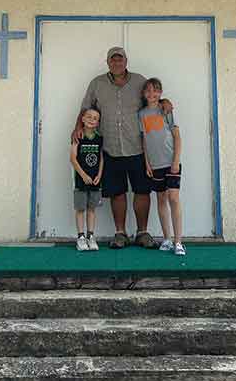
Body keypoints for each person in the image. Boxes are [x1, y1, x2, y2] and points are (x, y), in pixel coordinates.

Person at [72, 47, 172, 250]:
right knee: (117, 192)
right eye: (113, 60)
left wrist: (164, 101)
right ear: (108, 62)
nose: (116, 63)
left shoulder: (139, 81)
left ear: (126, 61)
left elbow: (152, 99)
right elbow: (85, 108)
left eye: (120, 59)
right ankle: (120, 233)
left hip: (138, 147)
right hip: (110, 147)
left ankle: (142, 233)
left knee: (142, 191)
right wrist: (77, 128)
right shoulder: (97, 83)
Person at [139, 77, 185, 256]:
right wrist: (147, 163)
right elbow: (144, 139)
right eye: (148, 91)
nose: (152, 94)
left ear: (160, 93)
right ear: (144, 94)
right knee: (161, 200)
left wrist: (175, 161)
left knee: (174, 198)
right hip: (155, 164)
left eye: (156, 90)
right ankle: (166, 238)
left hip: (171, 163)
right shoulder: (141, 114)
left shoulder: (166, 110)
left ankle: (178, 241)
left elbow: (177, 137)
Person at [69, 108, 103, 251]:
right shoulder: (78, 136)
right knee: (80, 208)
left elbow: (101, 158)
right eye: (88, 116)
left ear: (98, 122)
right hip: (81, 180)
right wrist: (83, 175)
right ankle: (81, 237)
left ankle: (90, 236)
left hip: (95, 180)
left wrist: (99, 175)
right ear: (82, 119)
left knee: (92, 208)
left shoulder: (99, 137)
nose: (91, 119)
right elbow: (73, 158)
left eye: (94, 118)